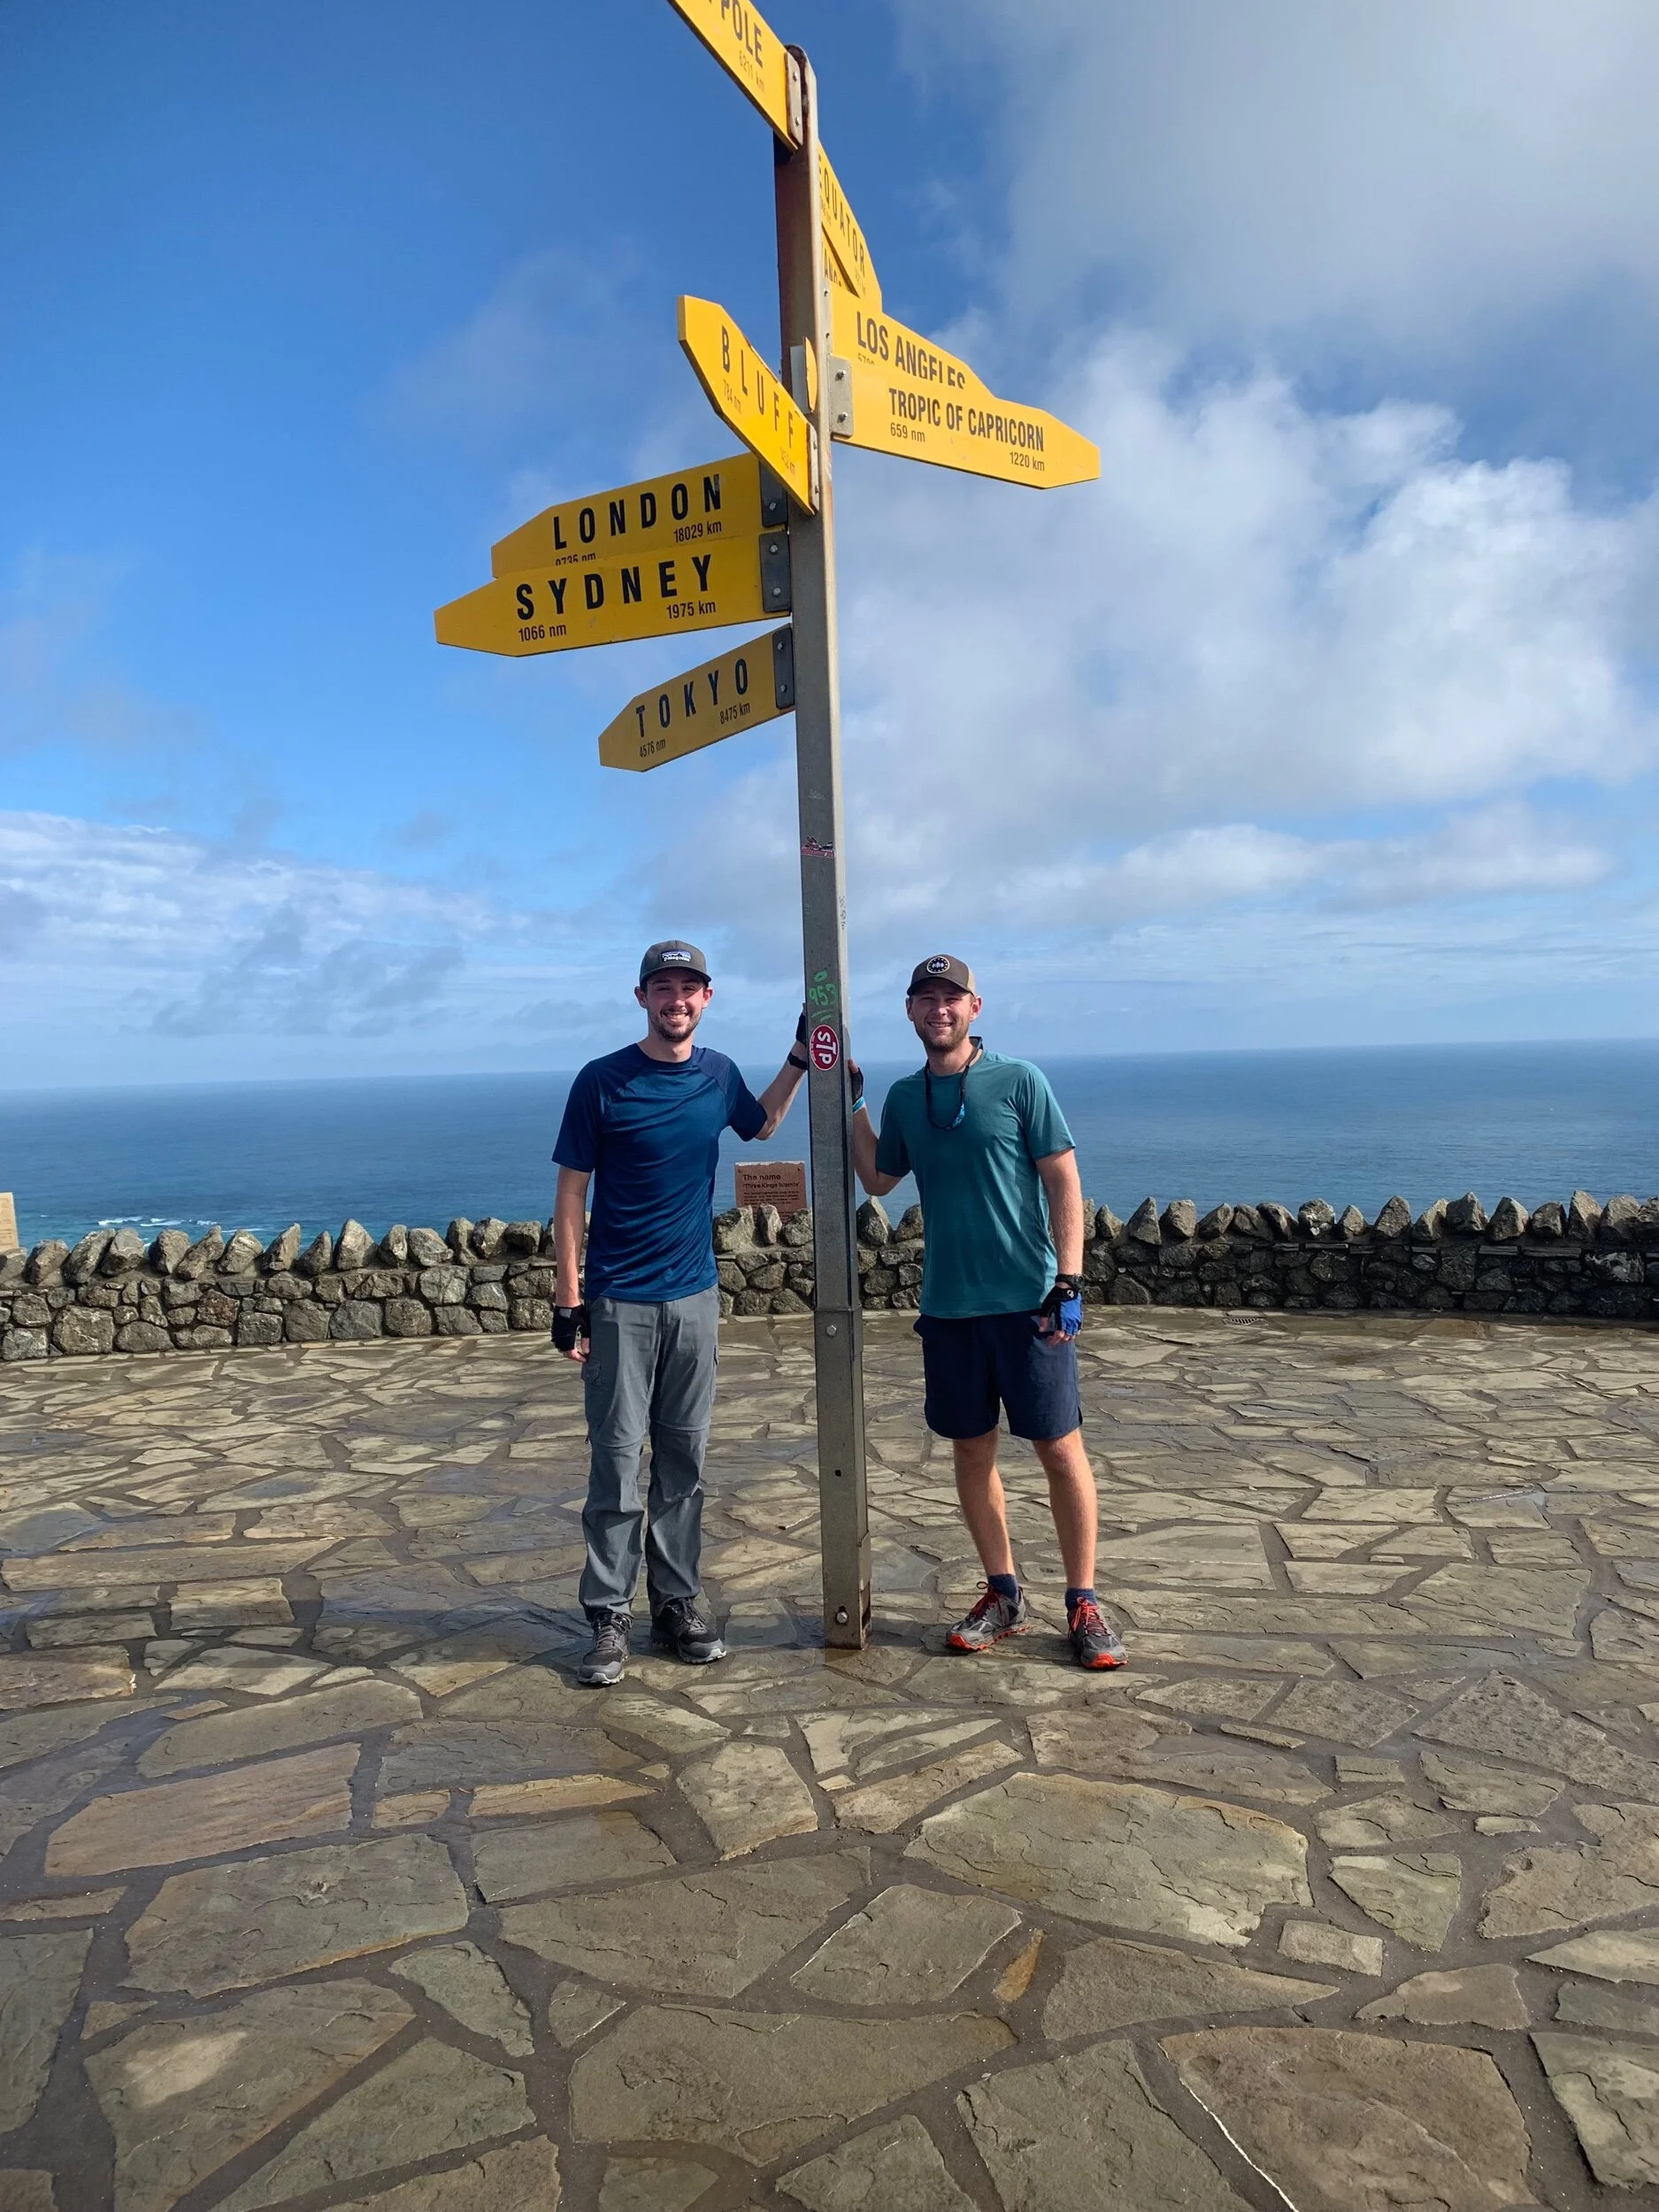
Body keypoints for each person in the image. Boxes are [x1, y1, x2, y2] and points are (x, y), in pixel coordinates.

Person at [849, 954, 1125, 1670]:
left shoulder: (1019, 1080)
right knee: (971, 1450)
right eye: (925, 998)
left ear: (975, 1007)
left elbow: (1062, 1176)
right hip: (948, 1308)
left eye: (951, 998)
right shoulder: (905, 1097)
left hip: (1028, 1302)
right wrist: (848, 1105)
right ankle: (1003, 1593)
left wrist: (1068, 1279)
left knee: (1058, 1448)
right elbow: (880, 1175)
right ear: (909, 1011)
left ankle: (1083, 1602)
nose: (938, 1009)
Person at [552, 941, 808, 1687]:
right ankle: (607, 1614)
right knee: (615, 1461)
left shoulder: (718, 1073)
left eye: (688, 988)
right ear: (640, 998)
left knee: (683, 1460)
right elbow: (572, 1194)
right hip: (618, 1299)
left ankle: (675, 1601)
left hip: (694, 1296)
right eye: (662, 988)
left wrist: (797, 1057)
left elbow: (759, 1126)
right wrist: (568, 1301)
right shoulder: (601, 1081)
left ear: (707, 997)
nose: (676, 1000)